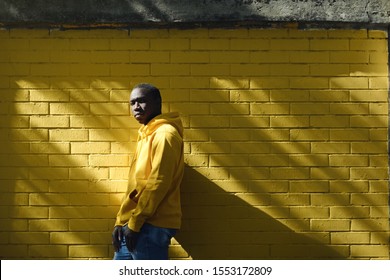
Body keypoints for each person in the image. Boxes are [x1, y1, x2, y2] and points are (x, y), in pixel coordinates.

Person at [112, 83, 184, 260]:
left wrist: (135, 223)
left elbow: (158, 183)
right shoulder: (147, 134)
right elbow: (137, 185)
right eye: (132, 103)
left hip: (149, 225)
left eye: (142, 101)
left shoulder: (164, 134)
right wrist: (121, 221)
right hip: (134, 224)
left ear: (157, 102)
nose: (136, 107)